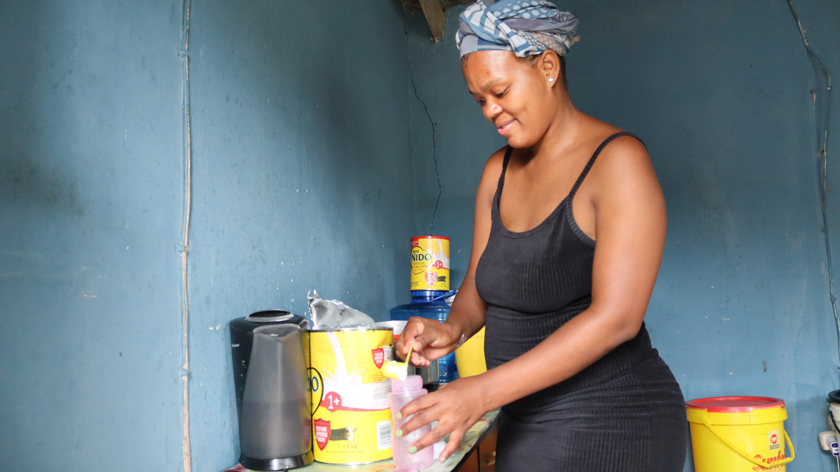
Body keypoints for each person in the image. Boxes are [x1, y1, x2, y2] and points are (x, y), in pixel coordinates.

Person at [393, 1, 688, 470]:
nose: (491, 110)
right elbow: (478, 288)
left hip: (615, 420)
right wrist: (452, 329)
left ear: (548, 67)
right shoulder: (497, 172)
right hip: (524, 417)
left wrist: (482, 392)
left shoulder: (618, 163)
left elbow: (617, 319)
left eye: (500, 91)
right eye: (479, 100)